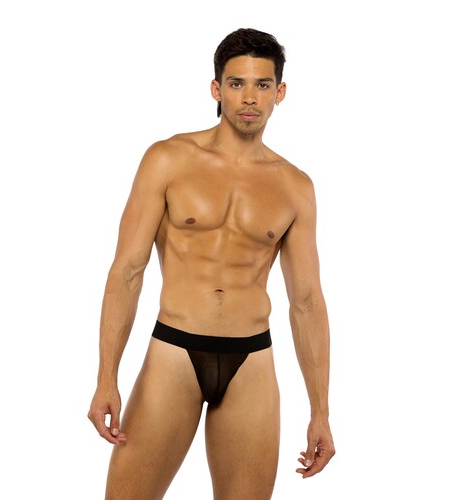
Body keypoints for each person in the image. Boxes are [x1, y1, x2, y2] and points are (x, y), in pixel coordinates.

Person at [88, 27, 335, 499]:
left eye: (263, 85)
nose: (250, 97)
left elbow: (306, 301)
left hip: (252, 362)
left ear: (280, 92)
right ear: (216, 89)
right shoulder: (168, 159)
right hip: (174, 352)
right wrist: (106, 378)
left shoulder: (295, 186)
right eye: (237, 83)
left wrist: (320, 410)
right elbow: (127, 271)